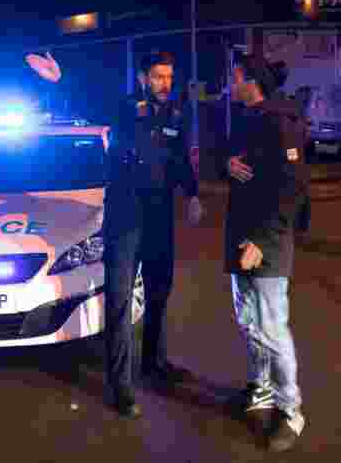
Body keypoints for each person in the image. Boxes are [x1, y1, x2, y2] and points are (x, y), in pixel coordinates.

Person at [27, 51, 204, 418]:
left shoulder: (175, 114)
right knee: (121, 303)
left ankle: (155, 365)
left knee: (158, 294)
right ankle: (120, 385)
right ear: (143, 78)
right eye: (158, 77)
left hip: (159, 219)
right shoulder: (125, 107)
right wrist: (61, 80)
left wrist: (193, 194)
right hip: (126, 219)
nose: (165, 84)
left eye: (169, 77)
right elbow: (89, 99)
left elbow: (180, 159)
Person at [224, 52, 310, 452]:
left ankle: (291, 410)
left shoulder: (282, 120)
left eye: (234, 77)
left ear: (250, 81)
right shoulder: (246, 118)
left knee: (273, 326)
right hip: (239, 235)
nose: (229, 83)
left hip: (267, 240)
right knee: (247, 320)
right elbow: (237, 162)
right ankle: (261, 388)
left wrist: (262, 240)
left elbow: (292, 188)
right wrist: (227, 162)